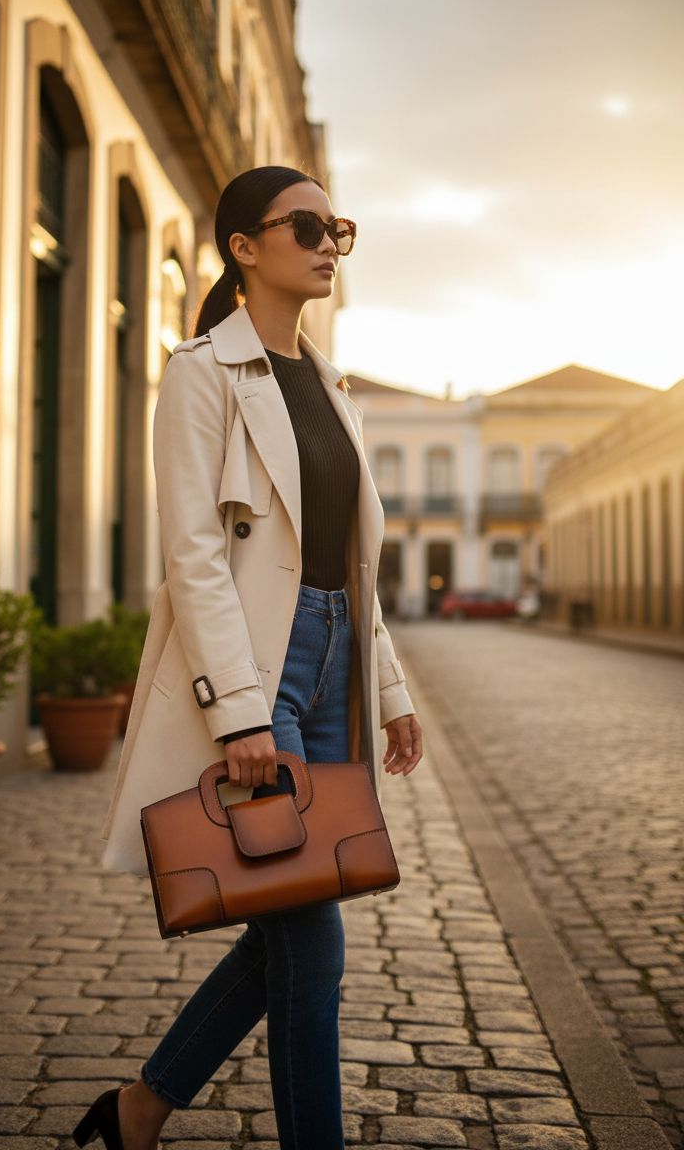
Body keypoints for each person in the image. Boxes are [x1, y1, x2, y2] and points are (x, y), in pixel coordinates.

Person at [78, 165, 424, 1150]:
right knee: (312, 935)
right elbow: (193, 554)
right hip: (261, 671)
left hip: (333, 666)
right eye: (304, 227)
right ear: (243, 248)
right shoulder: (201, 372)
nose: (327, 245)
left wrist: (390, 690)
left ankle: (138, 1112)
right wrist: (237, 711)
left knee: (285, 923)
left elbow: (349, 562)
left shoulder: (332, 388)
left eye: (336, 228)